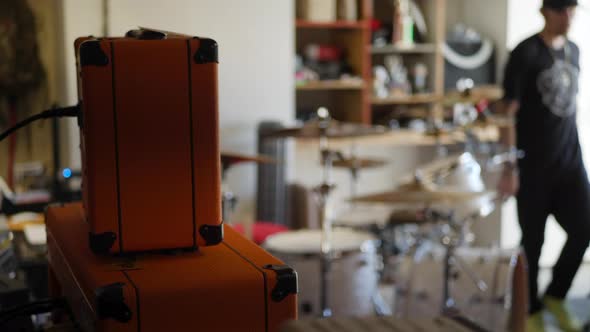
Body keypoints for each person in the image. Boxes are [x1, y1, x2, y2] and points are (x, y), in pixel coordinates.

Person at [497, 0, 590, 331]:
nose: (568, 17)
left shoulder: (575, 51)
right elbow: (506, 112)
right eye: (562, 10)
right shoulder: (525, 53)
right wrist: (509, 168)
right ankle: (531, 311)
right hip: (532, 165)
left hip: (570, 162)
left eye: (573, 10)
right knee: (532, 243)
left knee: (584, 228)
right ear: (546, 12)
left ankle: (556, 295)